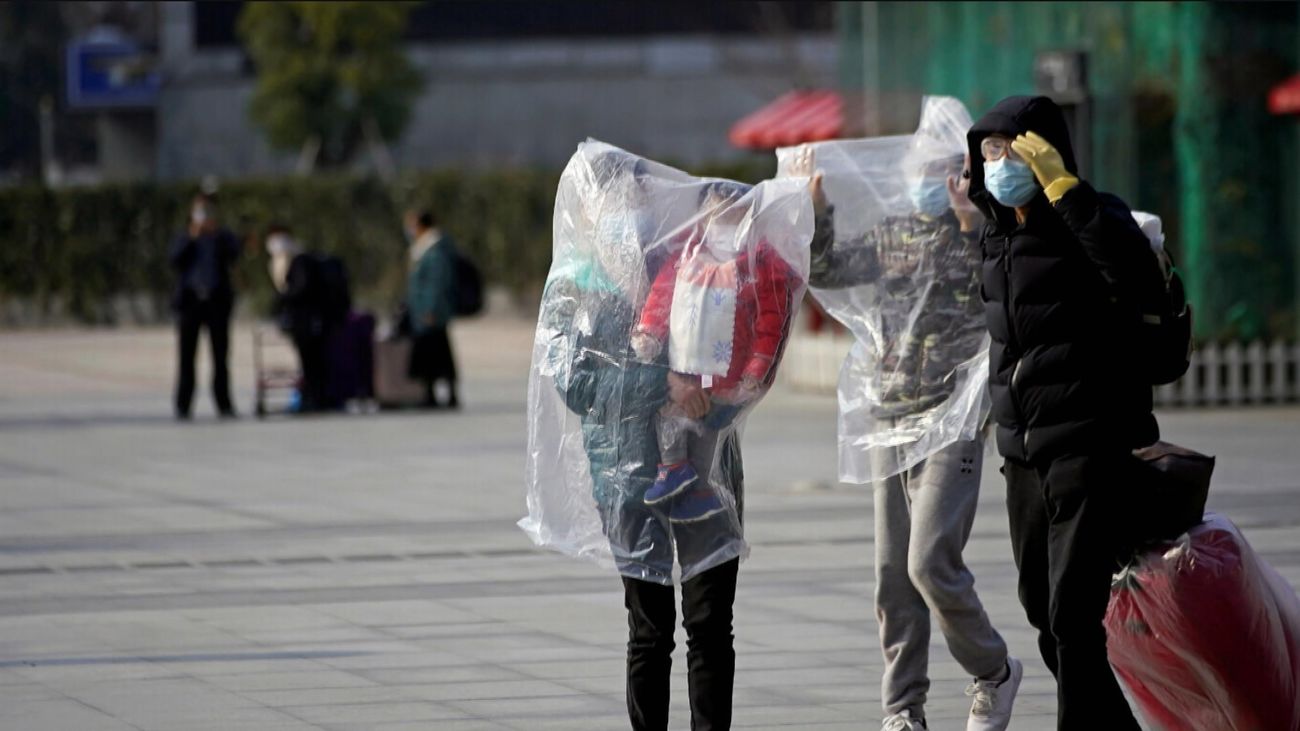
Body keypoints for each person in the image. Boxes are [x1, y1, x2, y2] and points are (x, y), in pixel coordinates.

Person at [795, 137, 1022, 729]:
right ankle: (902, 709)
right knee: (893, 576)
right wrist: (818, 212)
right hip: (890, 417)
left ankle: (993, 670)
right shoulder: (894, 233)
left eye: (948, 171)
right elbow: (826, 271)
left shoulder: (989, 235)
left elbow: (1009, 295)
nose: (935, 182)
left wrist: (975, 227)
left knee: (929, 563)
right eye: (924, 170)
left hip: (953, 421)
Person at [966, 95, 1170, 730]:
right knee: (1041, 609)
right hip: (1024, 455)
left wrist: (1064, 188)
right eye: (989, 153)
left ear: (1045, 150)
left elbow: (1137, 277)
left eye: (1011, 150)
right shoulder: (997, 237)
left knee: (1072, 616)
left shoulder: (1089, 214)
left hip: (1088, 445)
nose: (999, 164)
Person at [632, 181, 798, 524]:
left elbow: (771, 322)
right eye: (716, 215)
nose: (723, 222)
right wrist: (649, 330)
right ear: (702, 219)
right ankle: (677, 470)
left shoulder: (760, 266)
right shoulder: (687, 259)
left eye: (732, 215)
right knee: (673, 417)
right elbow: (662, 297)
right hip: (686, 369)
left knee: (709, 435)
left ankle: (702, 489)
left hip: (726, 377)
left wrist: (757, 367)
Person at [170, 192, 240, 420]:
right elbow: (174, 260)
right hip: (190, 303)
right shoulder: (185, 235)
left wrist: (216, 234)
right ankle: (183, 405)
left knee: (220, 357)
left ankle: (224, 403)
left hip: (217, 303)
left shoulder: (221, 236)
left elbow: (235, 254)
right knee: (186, 357)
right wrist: (192, 236)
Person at [266, 225, 349, 412]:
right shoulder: (291, 261)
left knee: (312, 362)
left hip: (307, 322)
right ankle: (315, 397)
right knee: (314, 362)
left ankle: (314, 398)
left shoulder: (300, 261)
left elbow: (300, 289)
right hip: (311, 322)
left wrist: (282, 299)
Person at [404, 209, 460, 409]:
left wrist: (430, 309)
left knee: (437, 355)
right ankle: (430, 393)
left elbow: (436, 283)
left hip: (431, 314)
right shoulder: (423, 247)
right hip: (424, 314)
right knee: (434, 355)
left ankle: (445, 394)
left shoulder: (434, 250)